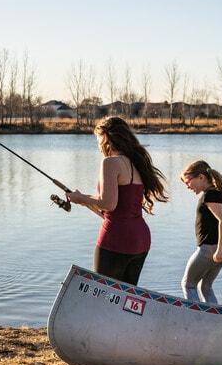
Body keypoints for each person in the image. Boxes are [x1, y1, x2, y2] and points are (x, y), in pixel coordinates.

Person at [66, 116, 168, 285]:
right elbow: (118, 205)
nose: (99, 147)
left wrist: (81, 198)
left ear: (105, 137)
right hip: (141, 238)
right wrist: (83, 199)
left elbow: (108, 204)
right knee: (125, 300)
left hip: (117, 238)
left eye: (98, 140)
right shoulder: (137, 162)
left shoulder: (110, 163)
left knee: (103, 296)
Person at [179, 160, 222, 303]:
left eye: (188, 182)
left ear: (201, 177)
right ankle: (213, 318)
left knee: (188, 284)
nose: (187, 186)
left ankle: (195, 318)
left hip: (210, 249)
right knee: (206, 287)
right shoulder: (218, 193)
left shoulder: (209, 196)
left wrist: (219, 249)